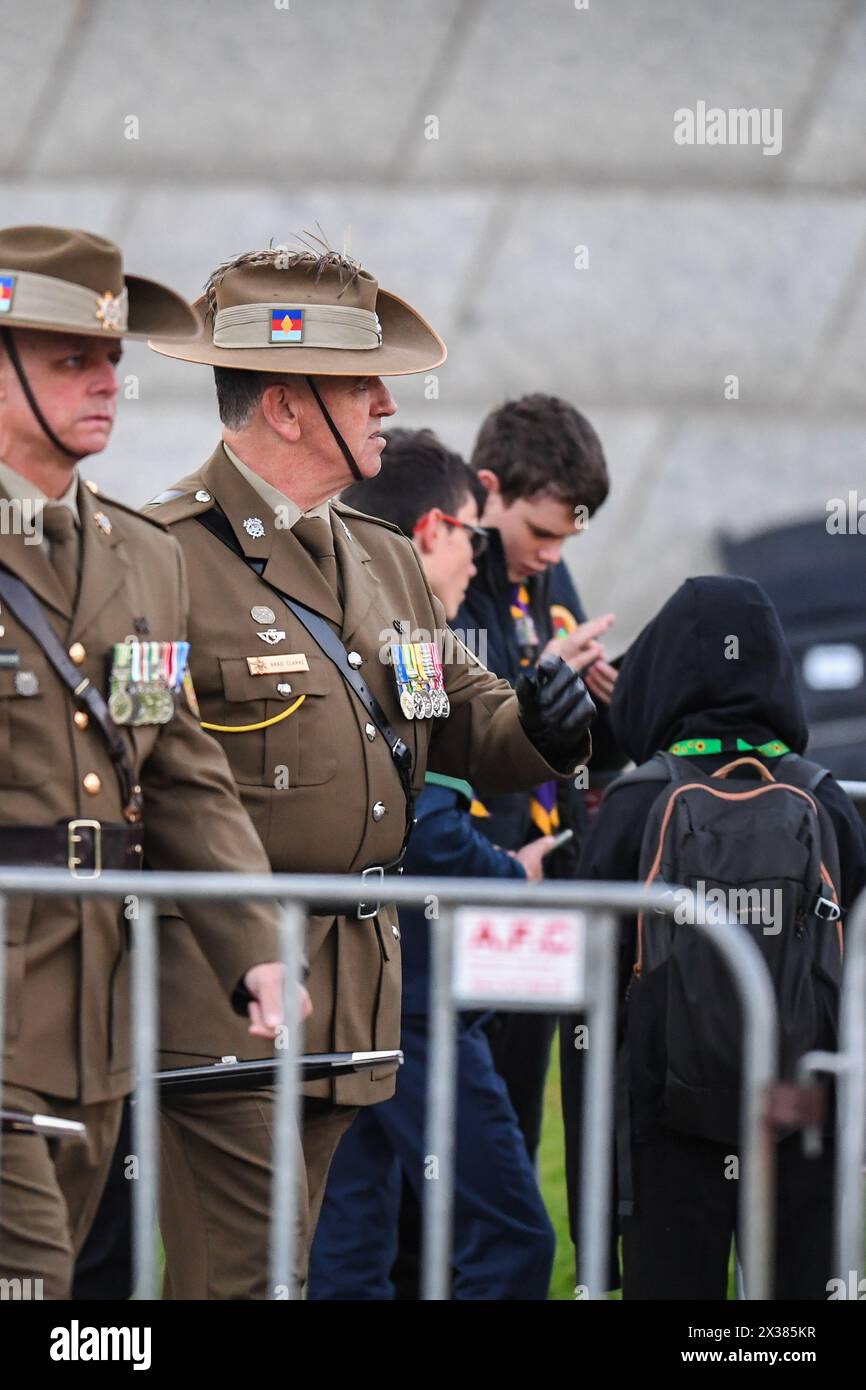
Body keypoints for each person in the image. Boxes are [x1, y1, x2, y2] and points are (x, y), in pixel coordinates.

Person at [140, 245, 597, 1295]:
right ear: (290, 408)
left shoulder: (382, 556)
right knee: (237, 1280)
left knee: (340, 1270)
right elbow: (133, 772)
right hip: (231, 1006)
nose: (389, 401)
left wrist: (539, 721)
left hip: (359, 999)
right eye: (360, 383)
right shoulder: (158, 554)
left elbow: (454, 715)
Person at [0, 224, 292, 1301]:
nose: (106, 381)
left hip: (88, 1017)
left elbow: (175, 768)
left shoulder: (144, 558)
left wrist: (255, 942)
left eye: (112, 357)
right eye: (69, 357)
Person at [308, 428, 557, 1299]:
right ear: (429, 533)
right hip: (405, 995)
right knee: (510, 1236)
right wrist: (516, 880)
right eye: (472, 536)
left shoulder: (389, 638)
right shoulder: (410, 642)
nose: (478, 558)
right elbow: (431, 825)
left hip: (359, 986)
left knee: (353, 1241)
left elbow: (427, 789)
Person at [580, 575, 866, 1298]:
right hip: (805, 1113)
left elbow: (589, 1001)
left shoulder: (637, 801)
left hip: (665, 1117)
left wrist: (596, 1216)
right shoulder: (825, 797)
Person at [456, 392, 618, 1164]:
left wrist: (611, 706)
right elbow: (447, 727)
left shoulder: (550, 577)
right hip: (467, 884)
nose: (554, 554)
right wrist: (541, 683)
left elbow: (579, 742)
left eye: (568, 536)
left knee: (516, 1121)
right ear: (489, 489)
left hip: (545, 885)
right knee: (455, 1137)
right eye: (542, 532)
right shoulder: (445, 572)